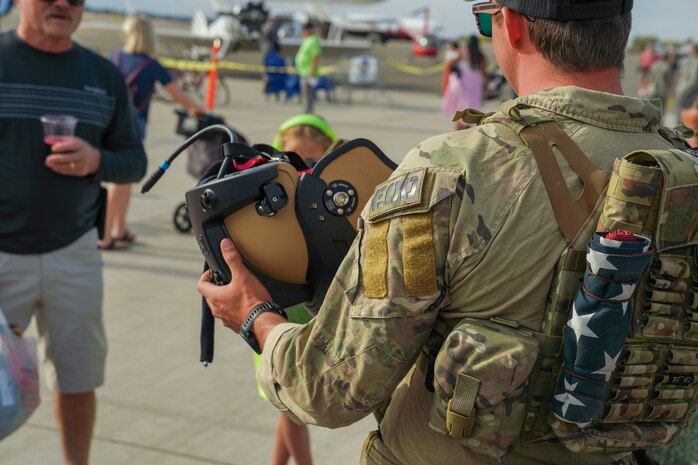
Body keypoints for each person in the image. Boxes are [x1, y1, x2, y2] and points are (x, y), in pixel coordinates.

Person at [198, 1, 682, 464]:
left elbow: (328, 388)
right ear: (621, 29)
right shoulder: (686, 170)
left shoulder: (452, 170)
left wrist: (254, 316)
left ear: (511, 26)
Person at [0, 0, 147, 463]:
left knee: (78, 379)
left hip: (75, 253)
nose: (63, 3)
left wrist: (96, 159)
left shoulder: (102, 76)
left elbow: (135, 160)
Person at [257, 114, 338, 465]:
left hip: (318, 306)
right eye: (289, 158)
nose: (301, 169)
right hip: (277, 309)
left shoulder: (337, 200)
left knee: (288, 405)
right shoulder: (263, 199)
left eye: (312, 162)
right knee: (290, 404)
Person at [99, 15, 204, 250]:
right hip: (134, 125)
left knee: (123, 180)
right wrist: (199, 109)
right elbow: (178, 95)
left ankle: (119, 229)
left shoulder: (113, 58)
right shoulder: (150, 64)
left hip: (109, 122)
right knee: (120, 180)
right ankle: (106, 235)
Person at [441, 35, 488, 129]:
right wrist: (488, 87)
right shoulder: (481, 56)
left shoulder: (463, 53)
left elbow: (450, 63)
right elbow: (484, 72)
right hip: (476, 83)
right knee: (471, 109)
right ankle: (467, 128)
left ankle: (459, 130)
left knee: (461, 108)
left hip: (464, 82)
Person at [295, 22, 322, 114]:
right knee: (306, 95)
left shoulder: (313, 40)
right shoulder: (307, 39)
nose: (304, 31)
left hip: (309, 72)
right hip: (303, 72)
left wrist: (312, 72)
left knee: (307, 95)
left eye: (306, 29)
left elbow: (316, 56)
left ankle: (307, 113)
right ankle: (307, 112)